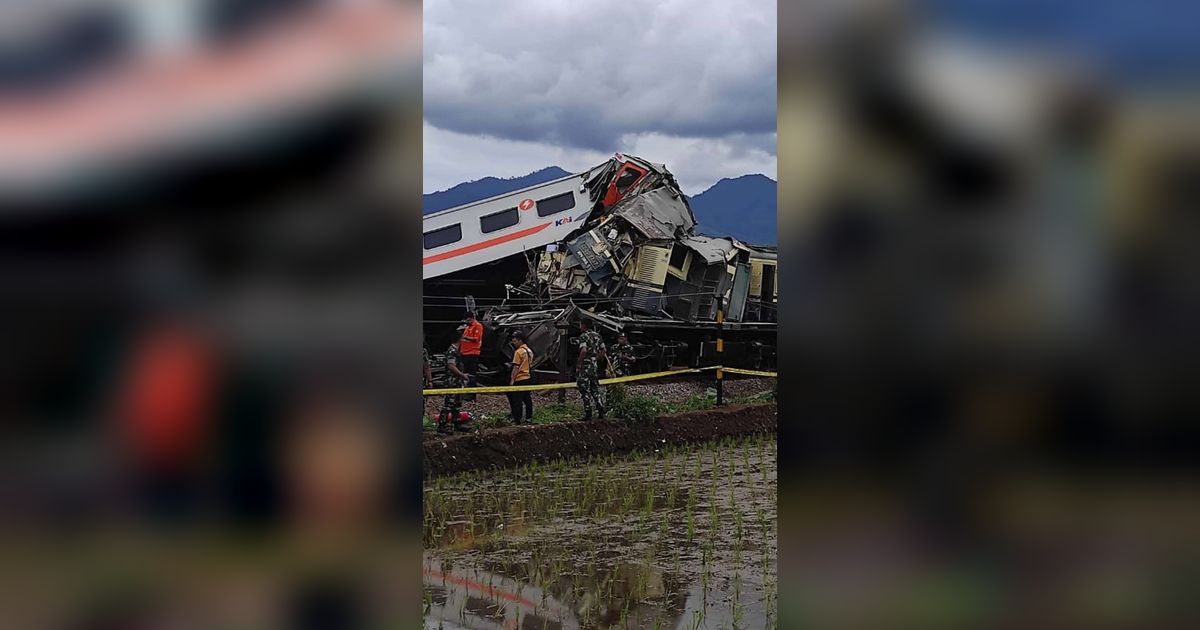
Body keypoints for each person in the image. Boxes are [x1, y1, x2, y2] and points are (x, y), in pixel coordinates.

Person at [576, 319, 607, 420]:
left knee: (584, 388)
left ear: (584, 325)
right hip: (594, 365)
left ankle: (588, 412)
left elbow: (584, 350)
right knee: (595, 388)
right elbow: (603, 350)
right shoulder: (598, 336)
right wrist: (595, 359)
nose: (579, 327)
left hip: (585, 365)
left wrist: (579, 363)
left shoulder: (583, 336)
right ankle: (601, 410)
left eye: (580, 325)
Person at [438, 338, 468, 434]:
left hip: (456, 381)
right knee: (449, 404)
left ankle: (457, 422)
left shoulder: (456, 351)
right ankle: (442, 425)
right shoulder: (452, 351)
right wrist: (462, 375)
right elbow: (451, 366)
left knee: (456, 403)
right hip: (452, 381)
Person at [507, 330, 534, 424]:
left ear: (520, 340)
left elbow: (515, 367)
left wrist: (512, 380)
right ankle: (529, 417)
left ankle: (517, 419)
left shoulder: (518, 352)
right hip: (528, 377)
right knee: (527, 399)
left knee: (517, 400)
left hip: (519, 378)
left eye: (515, 341)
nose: (513, 343)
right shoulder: (529, 351)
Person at [459, 311, 483, 377]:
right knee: (464, 373)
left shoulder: (477, 326)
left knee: (471, 374)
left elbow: (476, 339)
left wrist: (464, 337)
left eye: (469, 320)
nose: (467, 322)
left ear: (473, 318)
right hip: (464, 353)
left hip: (472, 353)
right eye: (466, 321)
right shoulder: (467, 327)